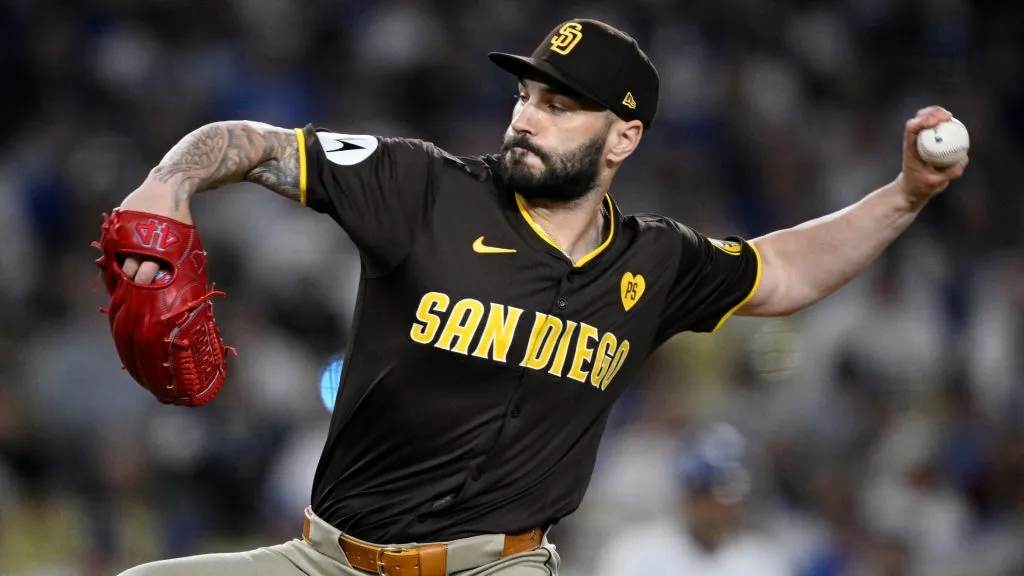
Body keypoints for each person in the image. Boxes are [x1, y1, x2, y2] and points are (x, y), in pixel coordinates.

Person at [109, 17, 967, 576]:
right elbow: (257, 144)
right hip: (329, 559)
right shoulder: (422, 188)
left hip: (498, 565)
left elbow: (785, 272)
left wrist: (906, 195)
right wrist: (168, 183)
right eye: (525, 96)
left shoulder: (655, 262)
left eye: (560, 105)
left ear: (623, 137)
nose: (525, 117)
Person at [595, 423, 790, 576]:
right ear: (687, 498)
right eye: (707, 499)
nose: (717, 512)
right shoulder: (637, 551)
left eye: (727, 500)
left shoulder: (763, 560)